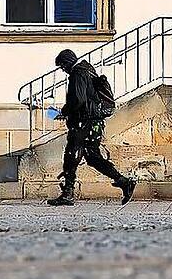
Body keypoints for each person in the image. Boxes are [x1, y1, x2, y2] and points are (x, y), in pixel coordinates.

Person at [47, 49, 136, 206]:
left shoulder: (77, 73)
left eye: (62, 66)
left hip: (84, 122)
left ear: (67, 62)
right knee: (93, 157)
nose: (63, 70)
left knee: (71, 154)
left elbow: (79, 100)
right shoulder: (88, 70)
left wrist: (65, 111)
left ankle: (67, 193)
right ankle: (123, 182)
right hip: (94, 123)